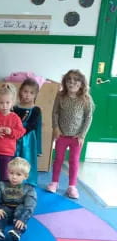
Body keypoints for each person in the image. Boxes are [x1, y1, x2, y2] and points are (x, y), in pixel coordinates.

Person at [46, 70, 94, 199]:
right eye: (69, 80)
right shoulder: (60, 96)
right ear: (65, 82)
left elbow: (88, 117)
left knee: (74, 161)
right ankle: (54, 182)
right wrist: (56, 128)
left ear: (82, 83)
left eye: (76, 80)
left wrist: (82, 135)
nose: (72, 82)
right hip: (62, 135)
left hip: (76, 137)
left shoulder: (85, 98)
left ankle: (72, 186)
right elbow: (55, 112)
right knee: (58, 159)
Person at [0, 157, 37, 241]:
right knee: (2, 212)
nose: (14, 177)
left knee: (21, 209)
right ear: (7, 173)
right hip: (6, 209)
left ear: (25, 176)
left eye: (18, 174)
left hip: (19, 212)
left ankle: (17, 231)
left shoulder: (29, 189)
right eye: (11, 173)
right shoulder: (1, 184)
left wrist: (23, 218)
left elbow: (30, 205)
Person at [14, 78, 42, 187]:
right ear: (20, 91)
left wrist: (20, 133)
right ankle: (13, 178)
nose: (27, 95)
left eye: (31, 93)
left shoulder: (36, 110)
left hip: (28, 138)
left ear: (35, 95)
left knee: (27, 157)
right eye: (25, 91)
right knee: (14, 157)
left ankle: (27, 179)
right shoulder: (14, 107)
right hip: (15, 137)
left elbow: (33, 126)